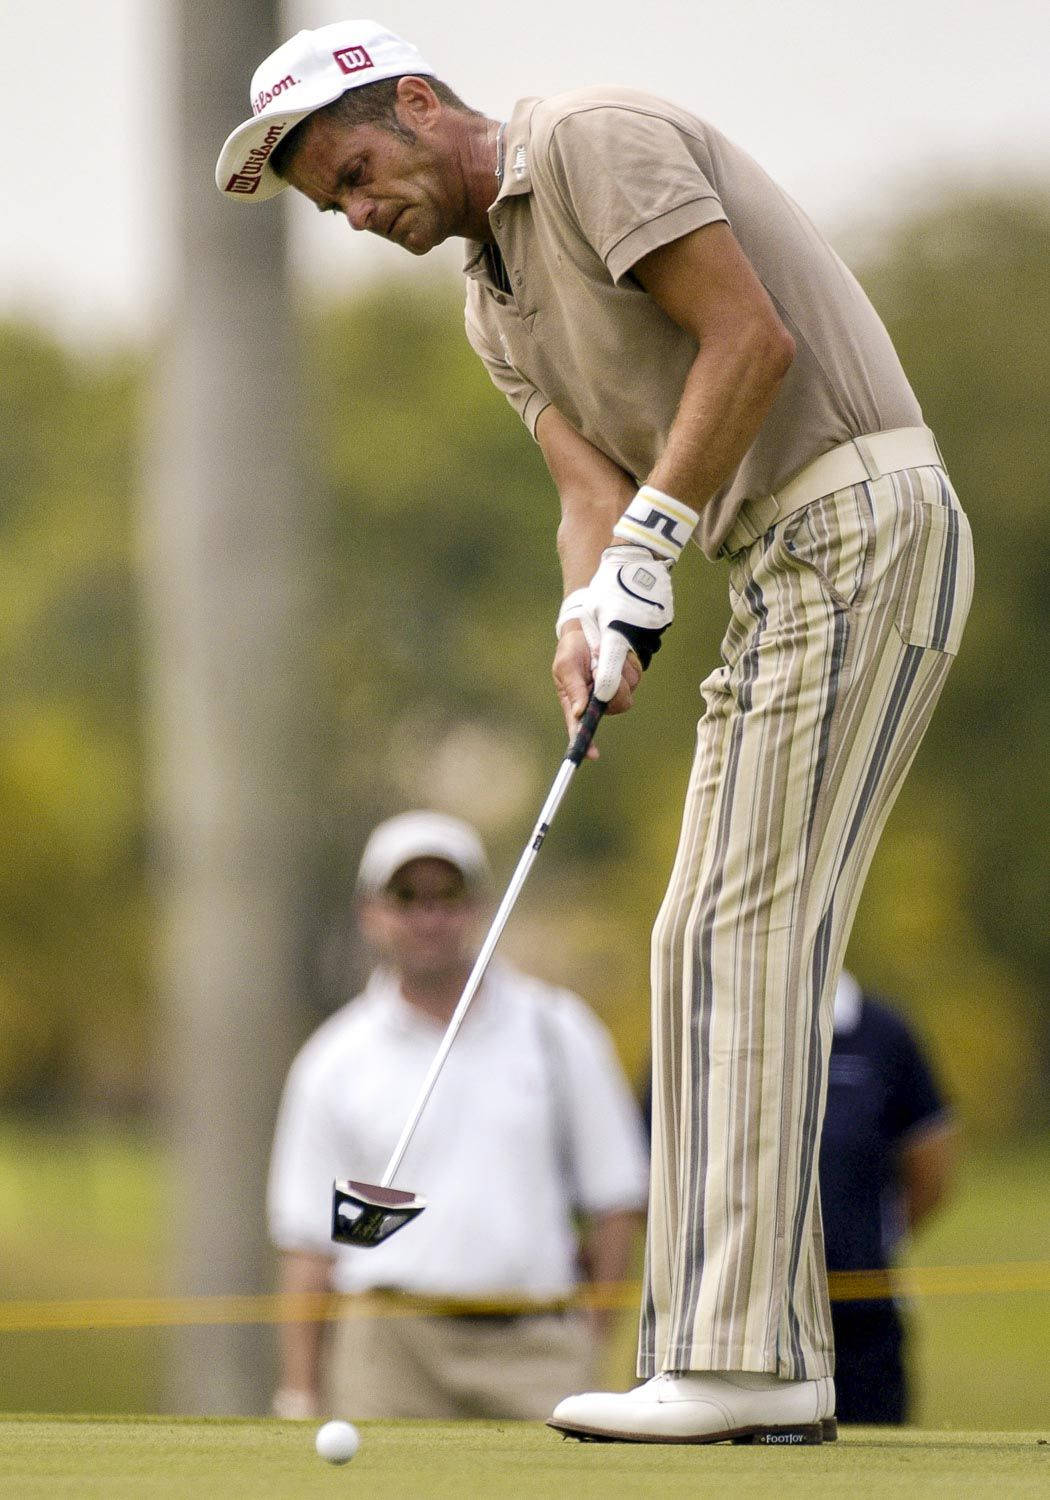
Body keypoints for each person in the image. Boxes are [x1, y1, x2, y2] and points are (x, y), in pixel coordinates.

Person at [217, 20, 974, 1443]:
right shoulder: (487, 308)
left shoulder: (585, 140)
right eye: (338, 207)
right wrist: (590, 617)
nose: (363, 215)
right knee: (705, 934)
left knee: (732, 934)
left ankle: (740, 1360)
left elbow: (750, 340)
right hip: (774, 564)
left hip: (860, 520)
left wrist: (653, 535)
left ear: (422, 105)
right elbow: (590, 496)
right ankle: (753, 1355)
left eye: (360, 173)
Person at [267, 810, 649, 1421]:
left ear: (479, 910)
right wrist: (300, 1391)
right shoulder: (332, 1060)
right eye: (406, 898)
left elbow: (617, 1201)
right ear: (371, 913)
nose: (429, 917)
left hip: (537, 1343)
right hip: (387, 1348)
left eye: (448, 897)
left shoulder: (558, 1031)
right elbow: (309, 1245)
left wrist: (590, 1338)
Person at [820, 971, 957, 1424]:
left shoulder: (883, 1034)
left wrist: (872, 1238)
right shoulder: (709, 1022)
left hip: (861, 1321)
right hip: (737, 1324)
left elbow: (931, 1167)